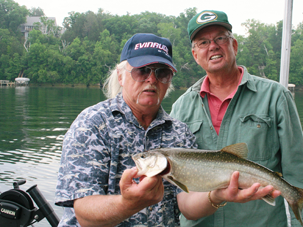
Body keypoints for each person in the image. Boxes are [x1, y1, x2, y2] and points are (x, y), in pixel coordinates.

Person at [55, 33, 279, 227]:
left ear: (169, 80)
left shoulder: (179, 132)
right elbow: (84, 214)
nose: (151, 79)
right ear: (121, 75)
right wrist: (127, 204)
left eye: (161, 73)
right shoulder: (92, 124)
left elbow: (187, 206)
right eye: (142, 71)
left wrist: (218, 195)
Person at [170, 10, 303, 227]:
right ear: (195, 55)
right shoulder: (180, 108)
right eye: (203, 42)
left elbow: (299, 171)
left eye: (220, 38)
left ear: (234, 45)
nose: (213, 46)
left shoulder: (275, 96)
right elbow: (176, 190)